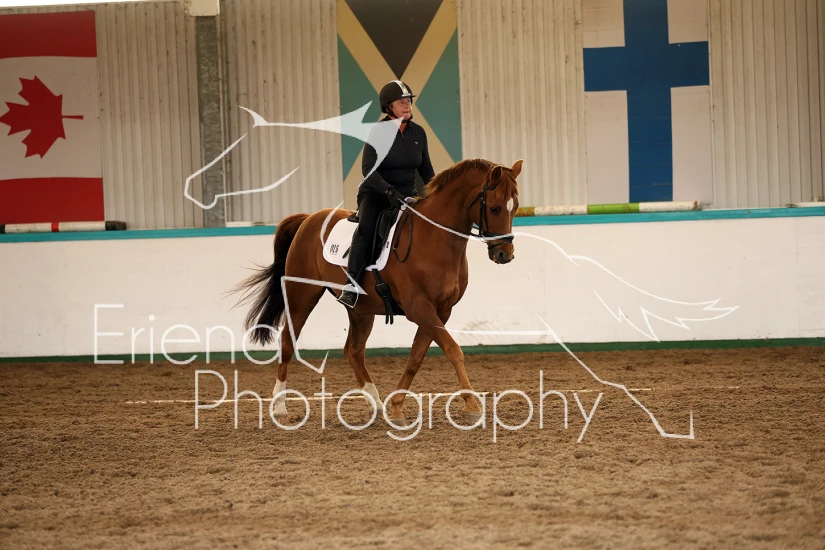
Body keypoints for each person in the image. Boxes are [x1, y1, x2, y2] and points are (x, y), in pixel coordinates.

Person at [337, 80, 435, 308]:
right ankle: (351, 286)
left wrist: (435, 193)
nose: (407, 105)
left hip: (408, 196)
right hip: (376, 193)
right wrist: (389, 191)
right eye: (401, 102)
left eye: (409, 101)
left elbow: (427, 171)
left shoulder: (419, 133)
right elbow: (368, 170)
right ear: (388, 107)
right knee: (367, 229)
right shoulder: (377, 132)